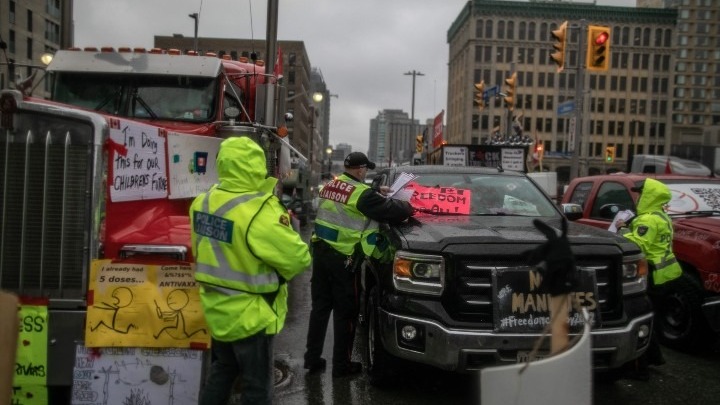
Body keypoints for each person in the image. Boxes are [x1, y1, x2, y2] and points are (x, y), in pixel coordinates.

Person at [190, 136, 311, 405]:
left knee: (222, 371)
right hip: (251, 313)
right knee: (257, 387)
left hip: (216, 307)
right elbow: (297, 258)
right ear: (257, 166)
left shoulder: (203, 202)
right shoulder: (259, 209)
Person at [304, 152, 414, 378]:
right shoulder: (362, 195)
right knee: (346, 314)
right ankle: (342, 366)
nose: (365, 173)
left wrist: (374, 192)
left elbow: (349, 199)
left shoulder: (330, 186)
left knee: (320, 309)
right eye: (365, 169)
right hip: (344, 259)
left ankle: (312, 359)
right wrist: (410, 205)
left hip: (321, 253)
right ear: (361, 169)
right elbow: (394, 211)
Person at [616, 178, 682, 380]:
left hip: (652, 277)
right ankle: (652, 359)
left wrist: (622, 229)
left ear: (649, 196)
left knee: (640, 320)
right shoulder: (661, 216)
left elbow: (639, 245)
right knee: (650, 320)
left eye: (640, 193)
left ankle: (639, 367)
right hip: (667, 275)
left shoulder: (647, 220)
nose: (636, 196)